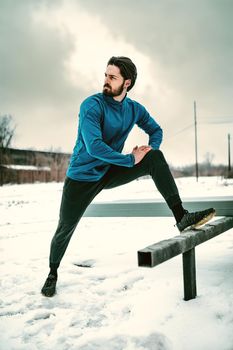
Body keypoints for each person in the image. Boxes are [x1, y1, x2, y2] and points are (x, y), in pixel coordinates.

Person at [41, 56, 215, 297]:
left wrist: (148, 150)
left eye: (112, 77)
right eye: (105, 75)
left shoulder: (133, 109)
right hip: (82, 177)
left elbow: (156, 130)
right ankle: (52, 272)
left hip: (110, 170)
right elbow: (94, 147)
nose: (106, 81)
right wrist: (130, 160)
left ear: (127, 83)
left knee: (155, 158)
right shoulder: (91, 106)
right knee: (65, 227)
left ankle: (181, 216)